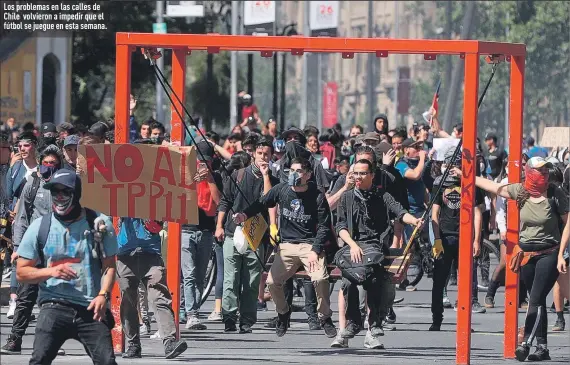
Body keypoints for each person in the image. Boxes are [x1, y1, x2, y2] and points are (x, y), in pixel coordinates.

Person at [15, 170, 119, 364]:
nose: (60, 196)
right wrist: (50, 271)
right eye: (55, 191)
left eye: (65, 191)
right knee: (39, 360)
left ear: (76, 193)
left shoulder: (99, 224)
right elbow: (21, 272)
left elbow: (109, 266)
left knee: (106, 361)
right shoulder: (39, 227)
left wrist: (103, 295)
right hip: (53, 305)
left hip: (91, 307)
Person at [473, 156, 568, 362]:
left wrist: (561, 253)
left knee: (534, 298)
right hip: (525, 254)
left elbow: (568, 222)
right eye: (540, 171)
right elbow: (495, 187)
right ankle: (542, 348)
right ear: (530, 172)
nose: (544, 174)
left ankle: (525, 343)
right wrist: (468, 177)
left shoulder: (555, 193)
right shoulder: (521, 191)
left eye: (546, 171)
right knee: (539, 300)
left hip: (549, 253)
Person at [233, 157, 337, 338]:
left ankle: (324, 316)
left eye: (298, 171)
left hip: (309, 246)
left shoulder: (317, 195)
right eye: (291, 171)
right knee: (272, 282)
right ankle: (283, 313)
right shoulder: (281, 189)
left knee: (320, 279)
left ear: (308, 175)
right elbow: (263, 202)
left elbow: (324, 227)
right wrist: (244, 215)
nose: (293, 175)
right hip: (287, 246)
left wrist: (315, 250)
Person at [336, 159, 422, 348]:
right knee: (349, 281)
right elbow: (340, 227)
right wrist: (352, 245)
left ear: (372, 176)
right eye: (356, 173)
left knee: (373, 277)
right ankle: (354, 323)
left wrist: (414, 221)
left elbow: (400, 212)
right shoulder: (347, 197)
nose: (358, 177)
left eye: (363, 173)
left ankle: (374, 324)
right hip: (352, 247)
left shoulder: (382, 195)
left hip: (375, 247)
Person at [115, 142, 187, 359]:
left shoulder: (159, 189)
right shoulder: (120, 185)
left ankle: (169, 342)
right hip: (125, 253)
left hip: (150, 253)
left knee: (159, 296)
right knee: (128, 301)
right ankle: (134, 344)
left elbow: (157, 225)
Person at [1, 145, 65, 355]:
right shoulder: (34, 183)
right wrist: (18, 248)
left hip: (57, 250)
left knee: (54, 300)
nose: (49, 167)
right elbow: (21, 218)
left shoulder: (67, 185)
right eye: (45, 163)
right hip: (33, 248)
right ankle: (15, 339)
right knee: (25, 296)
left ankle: (51, 343)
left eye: (53, 164)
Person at [216, 137, 279, 333]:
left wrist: (266, 176)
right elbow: (225, 201)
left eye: (266, 154)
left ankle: (247, 320)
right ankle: (228, 317)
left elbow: (269, 201)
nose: (262, 157)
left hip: (256, 235)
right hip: (231, 232)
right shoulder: (238, 175)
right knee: (230, 278)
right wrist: (219, 225)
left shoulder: (273, 180)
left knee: (252, 280)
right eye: (260, 153)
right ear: (253, 154)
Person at [429, 149, 486, 332]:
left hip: (465, 237)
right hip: (445, 237)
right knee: (439, 280)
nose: (452, 169)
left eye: (456, 165)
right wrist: (436, 238)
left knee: (466, 281)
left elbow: (478, 213)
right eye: (449, 165)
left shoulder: (470, 184)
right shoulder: (439, 183)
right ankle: (436, 319)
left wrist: (477, 240)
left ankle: (465, 320)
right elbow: (435, 213)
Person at [180, 138, 222, 329]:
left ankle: (189, 309)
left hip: (205, 231)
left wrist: (210, 179)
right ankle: (191, 313)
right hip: (186, 230)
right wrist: (192, 181)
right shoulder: (186, 174)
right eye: (200, 161)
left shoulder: (216, 176)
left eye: (207, 162)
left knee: (199, 277)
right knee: (188, 274)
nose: (203, 165)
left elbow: (219, 203)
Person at [5, 131, 39, 318]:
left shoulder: (42, 168)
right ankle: (14, 300)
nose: (22, 149)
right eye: (19, 145)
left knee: (37, 260)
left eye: (26, 145)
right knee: (17, 258)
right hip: (19, 221)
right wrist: (10, 211)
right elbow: (9, 195)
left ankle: (35, 301)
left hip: (39, 220)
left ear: (34, 145)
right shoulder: (16, 168)